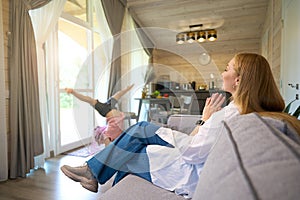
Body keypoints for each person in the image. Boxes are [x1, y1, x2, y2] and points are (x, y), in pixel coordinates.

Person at [61, 53, 300, 198]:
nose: (223, 72)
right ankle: (93, 173)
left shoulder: (231, 114)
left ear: (238, 80)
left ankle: (92, 172)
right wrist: (203, 121)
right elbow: (200, 142)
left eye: (227, 68)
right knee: (136, 136)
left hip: (188, 172)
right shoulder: (236, 110)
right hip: (189, 162)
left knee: (139, 132)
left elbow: (193, 151)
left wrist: (202, 121)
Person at [65, 84, 134, 146]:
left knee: (90, 100)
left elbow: (85, 98)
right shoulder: (109, 134)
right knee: (117, 95)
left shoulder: (110, 134)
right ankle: (72, 92)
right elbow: (85, 98)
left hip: (109, 111)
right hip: (110, 111)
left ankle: (128, 87)